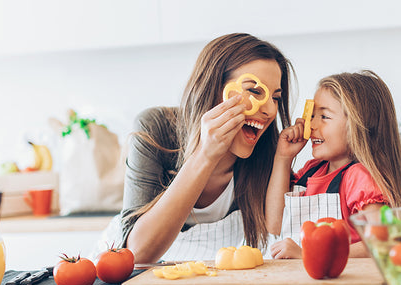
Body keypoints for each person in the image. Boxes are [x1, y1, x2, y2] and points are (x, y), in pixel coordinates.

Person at [119, 33, 294, 263]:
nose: (270, 110)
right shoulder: (156, 127)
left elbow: (279, 232)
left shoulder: (269, 153)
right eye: (254, 91)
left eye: (276, 98)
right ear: (214, 88)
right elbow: (137, 255)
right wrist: (205, 154)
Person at [265, 70, 401, 259]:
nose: (311, 125)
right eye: (312, 116)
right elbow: (275, 225)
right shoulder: (311, 171)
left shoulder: (359, 177)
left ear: (358, 127)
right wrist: (283, 158)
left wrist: (310, 254)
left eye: (324, 116)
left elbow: (382, 242)